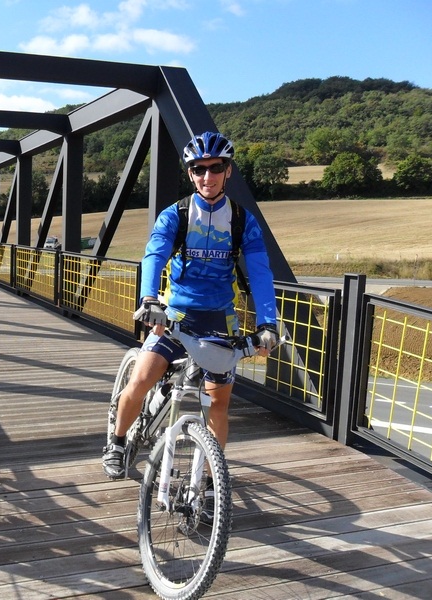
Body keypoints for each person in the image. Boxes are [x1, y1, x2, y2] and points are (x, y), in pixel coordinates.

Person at [102, 131, 279, 487]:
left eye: (216, 168)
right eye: (199, 169)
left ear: (228, 171)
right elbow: (154, 255)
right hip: (175, 314)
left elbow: (260, 272)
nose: (207, 177)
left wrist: (268, 323)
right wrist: (149, 299)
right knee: (141, 380)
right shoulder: (176, 215)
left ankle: (212, 483)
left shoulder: (243, 221)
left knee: (218, 404)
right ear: (190, 173)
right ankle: (118, 441)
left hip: (218, 319)